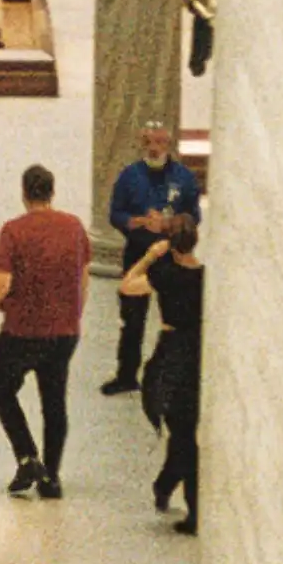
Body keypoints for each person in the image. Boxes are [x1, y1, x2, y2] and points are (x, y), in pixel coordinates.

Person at [0, 163, 90, 500]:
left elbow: (3, 284)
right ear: (52, 191)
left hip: (21, 330)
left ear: (24, 193)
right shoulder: (73, 226)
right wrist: (75, 314)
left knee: (0, 389)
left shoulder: (13, 231)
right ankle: (53, 478)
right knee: (54, 402)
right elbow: (84, 274)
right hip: (63, 331)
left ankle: (28, 456)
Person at [120, 211, 205, 531]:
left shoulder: (165, 274)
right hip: (198, 354)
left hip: (170, 355)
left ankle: (192, 509)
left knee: (182, 434)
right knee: (184, 428)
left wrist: (147, 257)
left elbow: (128, 286)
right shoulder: (206, 277)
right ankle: (165, 484)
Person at [101, 123, 201, 392]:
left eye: (159, 142)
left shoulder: (183, 178)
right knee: (132, 318)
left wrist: (168, 224)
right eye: (148, 142)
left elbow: (195, 216)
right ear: (142, 143)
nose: (154, 148)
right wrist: (136, 222)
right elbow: (115, 213)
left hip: (173, 254)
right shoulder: (129, 176)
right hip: (138, 253)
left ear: (168, 145)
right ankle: (127, 374)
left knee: (178, 317)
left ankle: (179, 372)